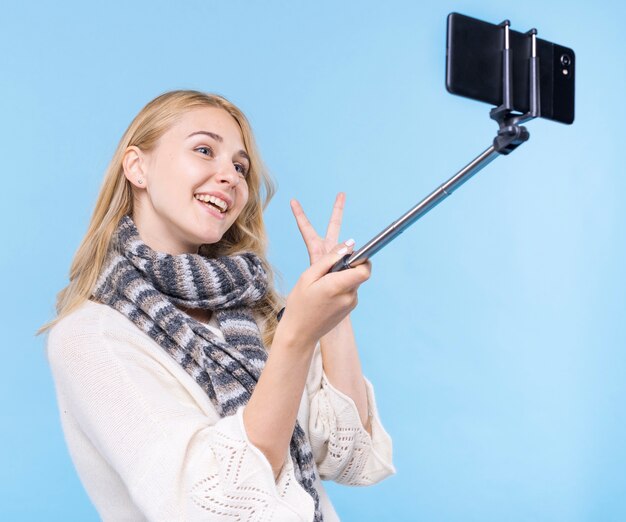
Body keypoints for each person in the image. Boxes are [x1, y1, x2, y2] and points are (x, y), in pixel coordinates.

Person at [40, 90, 395, 521]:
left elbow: (349, 456)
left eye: (240, 167)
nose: (229, 176)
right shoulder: (91, 337)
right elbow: (215, 508)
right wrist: (298, 337)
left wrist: (334, 316)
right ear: (137, 166)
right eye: (204, 150)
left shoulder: (257, 312)